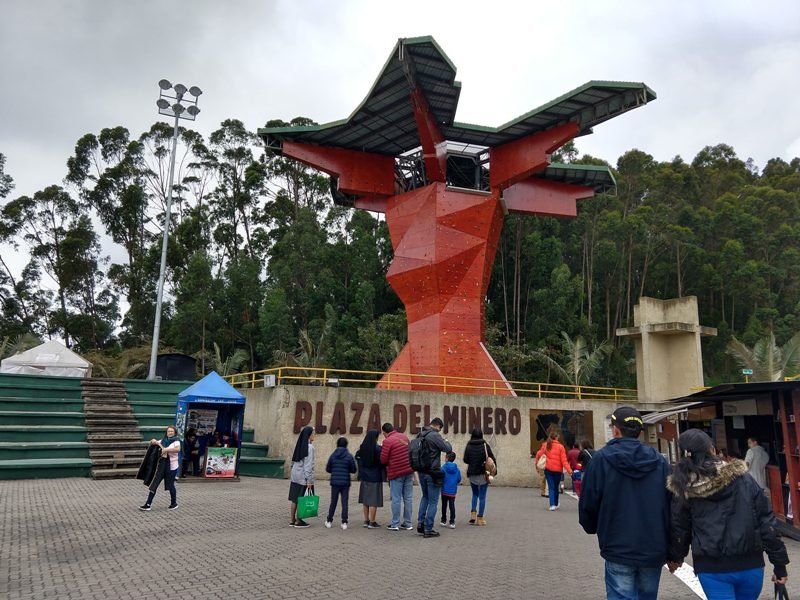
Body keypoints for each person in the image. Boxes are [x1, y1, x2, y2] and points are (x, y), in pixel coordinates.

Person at [667, 429, 789, 600]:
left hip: (711, 567)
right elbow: (766, 521)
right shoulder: (744, 479)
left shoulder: (684, 487)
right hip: (750, 563)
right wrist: (779, 564)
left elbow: (680, 527)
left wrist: (676, 556)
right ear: (713, 450)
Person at [579, 406, 672, 600]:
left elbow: (589, 500)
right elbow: (673, 504)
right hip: (653, 545)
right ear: (640, 431)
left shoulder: (600, 460)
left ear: (615, 429)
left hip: (617, 543)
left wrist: (591, 526)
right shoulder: (660, 462)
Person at [416, 417, 452, 538]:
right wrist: (445, 440)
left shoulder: (420, 434)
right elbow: (448, 449)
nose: (440, 431)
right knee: (433, 501)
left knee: (425, 497)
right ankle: (428, 528)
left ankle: (420, 523)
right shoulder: (435, 435)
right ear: (438, 426)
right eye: (440, 429)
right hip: (432, 472)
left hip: (421, 472)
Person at [380, 422, 415, 531]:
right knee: (408, 498)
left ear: (385, 432)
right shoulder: (404, 437)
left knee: (396, 499)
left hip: (396, 473)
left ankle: (395, 524)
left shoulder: (387, 441)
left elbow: (383, 460)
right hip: (409, 471)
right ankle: (408, 523)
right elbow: (410, 451)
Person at [139, 425, 181, 511]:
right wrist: (153, 441)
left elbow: (178, 449)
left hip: (172, 467)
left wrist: (166, 450)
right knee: (154, 483)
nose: (170, 433)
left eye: (171, 431)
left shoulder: (176, 441)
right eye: (168, 431)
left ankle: (174, 503)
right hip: (162, 466)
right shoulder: (163, 440)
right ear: (166, 432)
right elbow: (153, 442)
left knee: (170, 485)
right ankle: (148, 504)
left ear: (175, 432)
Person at [463, 427, 497, 526]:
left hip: (473, 474)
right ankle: (480, 519)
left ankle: (473, 515)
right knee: (482, 497)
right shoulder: (485, 445)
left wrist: (473, 461)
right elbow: (492, 459)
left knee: (474, 494)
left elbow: (465, 460)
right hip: (484, 474)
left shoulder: (469, 445)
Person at [325, 437, 356, 530]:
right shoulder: (349, 456)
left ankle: (329, 521)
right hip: (345, 482)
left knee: (333, 502)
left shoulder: (333, 455)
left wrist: (334, 471)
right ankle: (344, 522)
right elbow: (353, 469)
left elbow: (328, 468)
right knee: (344, 502)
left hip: (335, 482)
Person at [536, 431, 573, 510]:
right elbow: (564, 461)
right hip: (557, 471)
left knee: (551, 488)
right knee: (556, 487)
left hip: (548, 470)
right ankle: (555, 504)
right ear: (556, 437)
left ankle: (552, 505)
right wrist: (570, 471)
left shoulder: (546, 445)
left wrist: (538, 463)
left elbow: (539, 454)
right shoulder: (561, 447)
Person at [356, 429, 384, 529]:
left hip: (364, 477)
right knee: (373, 501)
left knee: (365, 500)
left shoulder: (362, 448)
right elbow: (382, 462)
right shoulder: (377, 449)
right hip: (375, 476)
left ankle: (366, 520)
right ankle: (372, 522)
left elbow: (358, 458)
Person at [288, 426, 315, 528]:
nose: (314, 435)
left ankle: (292, 520)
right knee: (302, 499)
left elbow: (293, 461)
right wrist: (309, 480)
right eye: (313, 433)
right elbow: (308, 466)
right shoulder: (310, 448)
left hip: (295, 475)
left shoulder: (299, 445)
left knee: (294, 499)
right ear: (309, 435)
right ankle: (299, 521)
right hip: (303, 477)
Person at [440, 451, 461, 528]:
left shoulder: (443, 468)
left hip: (444, 490)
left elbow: (441, 477)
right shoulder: (457, 469)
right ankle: (452, 522)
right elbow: (459, 479)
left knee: (444, 505)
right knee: (452, 506)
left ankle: (443, 520)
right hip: (452, 491)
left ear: (447, 458)